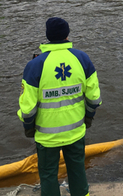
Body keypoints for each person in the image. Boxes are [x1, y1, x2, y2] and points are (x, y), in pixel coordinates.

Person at [17, 17, 101, 196]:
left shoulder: (34, 65)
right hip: (76, 130)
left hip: (47, 136)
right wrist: (88, 118)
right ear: (67, 34)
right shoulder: (82, 59)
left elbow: (28, 108)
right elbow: (94, 98)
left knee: (48, 174)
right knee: (77, 169)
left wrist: (28, 128)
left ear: (47, 36)